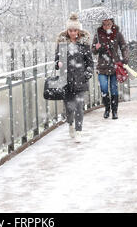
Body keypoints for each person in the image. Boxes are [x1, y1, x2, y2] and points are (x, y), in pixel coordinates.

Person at [55, 13, 94, 143]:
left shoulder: (84, 44)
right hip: (65, 81)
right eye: (71, 30)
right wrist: (58, 64)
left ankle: (78, 131)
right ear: (67, 31)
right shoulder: (62, 43)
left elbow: (90, 63)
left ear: (78, 31)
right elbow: (56, 60)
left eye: (75, 30)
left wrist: (87, 74)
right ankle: (70, 123)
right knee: (69, 108)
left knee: (79, 106)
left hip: (80, 80)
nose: (73, 33)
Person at [92, 15, 129, 120]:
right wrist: (96, 47)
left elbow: (124, 47)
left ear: (112, 23)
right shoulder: (98, 35)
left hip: (114, 65)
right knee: (104, 88)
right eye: (104, 24)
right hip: (102, 66)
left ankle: (115, 111)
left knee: (114, 89)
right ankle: (107, 108)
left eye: (108, 24)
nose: (106, 26)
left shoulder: (117, 34)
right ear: (102, 25)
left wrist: (125, 58)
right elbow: (93, 50)